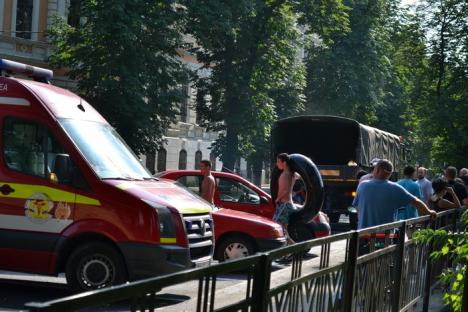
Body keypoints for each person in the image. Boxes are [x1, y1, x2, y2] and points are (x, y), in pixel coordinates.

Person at [353, 159, 436, 230]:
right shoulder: (395, 187)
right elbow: (416, 201)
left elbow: (356, 206)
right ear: (390, 174)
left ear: (377, 170)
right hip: (385, 234)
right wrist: (429, 212)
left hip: (363, 232)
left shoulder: (362, 185)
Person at [274, 153, 297, 244]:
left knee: (277, 226)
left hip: (284, 205)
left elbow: (285, 191)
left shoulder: (285, 174)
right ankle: (290, 249)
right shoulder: (292, 174)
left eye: (278, 161)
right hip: (287, 204)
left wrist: (277, 199)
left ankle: (295, 248)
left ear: (284, 162)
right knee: (283, 229)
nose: (277, 164)